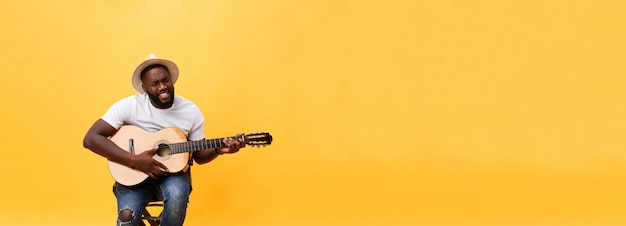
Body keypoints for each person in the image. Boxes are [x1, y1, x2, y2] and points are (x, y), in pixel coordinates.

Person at [83, 54, 245, 226]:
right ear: (144, 88)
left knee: (177, 195)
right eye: (155, 84)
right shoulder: (129, 106)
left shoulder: (190, 111)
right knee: (126, 220)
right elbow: (91, 139)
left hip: (172, 176)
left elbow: (198, 156)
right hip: (133, 175)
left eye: (165, 80)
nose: (162, 87)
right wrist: (135, 160)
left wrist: (219, 149)